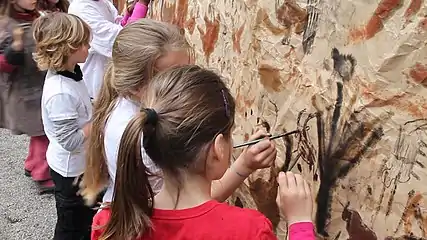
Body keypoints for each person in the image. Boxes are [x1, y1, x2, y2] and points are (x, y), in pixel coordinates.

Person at [91, 65, 315, 240]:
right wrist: (300, 224)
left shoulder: (109, 223)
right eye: (231, 133)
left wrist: (243, 166)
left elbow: (190, 218)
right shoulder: (248, 230)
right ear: (218, 148)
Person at [79, 19, 277, 207]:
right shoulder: (147, 137)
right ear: (136, 86)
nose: (189, 81)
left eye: (189, 69)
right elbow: (188, 206)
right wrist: (243, 166)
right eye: (174, 76)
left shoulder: (130, 107)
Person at [33, 12, 94, 240]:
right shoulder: (60, 92)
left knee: (83, 218)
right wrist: (98, 121)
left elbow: (80, 106)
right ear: (68, 48)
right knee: (71, 225)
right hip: (70, 170)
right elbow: (70, 141)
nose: (89, 46)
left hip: (80, 164)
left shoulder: (71, 73)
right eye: (84, 43)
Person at [0, 0, 53, 193]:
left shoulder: (35, 16)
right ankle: (43, 175)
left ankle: (32, 163)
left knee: (38, 130)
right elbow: (2, 63)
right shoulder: (6, 25)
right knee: (42, 131)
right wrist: (14, 49)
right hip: (24, 91)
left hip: (38, 84)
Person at [68, 0, 151, 100]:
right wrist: (142, 5)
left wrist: (129, 15)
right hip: (94, 87)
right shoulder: (81, 9)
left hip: (108, 84)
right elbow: (123, 41)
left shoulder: (104, 3)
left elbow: (119, 26)